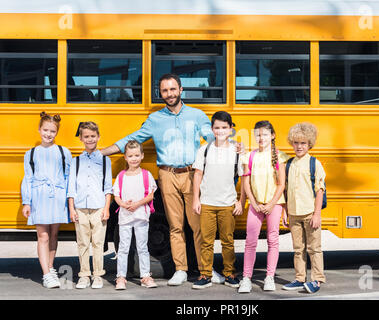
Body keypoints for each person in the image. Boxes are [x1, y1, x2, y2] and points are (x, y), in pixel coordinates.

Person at [101, 73, 236, 286]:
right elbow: (132, 138)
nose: (169, 94)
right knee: (175, 226)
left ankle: (206, 270)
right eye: (165, 90)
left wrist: (237, 146)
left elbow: (216, 138)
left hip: (192, 173)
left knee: (198, 225)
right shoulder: (155, 119)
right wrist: (101, 153)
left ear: (181, 90)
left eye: (173, 89)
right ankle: (181, 269)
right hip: (166, 174)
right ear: (160, 93)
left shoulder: (197, 115)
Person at [191, 111, 245, 290]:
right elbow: (198, 174)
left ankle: (229, 273)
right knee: (206, 241)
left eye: (224, 127)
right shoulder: (204, 149)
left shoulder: (236, 151)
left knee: (227, 241)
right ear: (212, 130)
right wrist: (196, 199)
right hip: (207, 202)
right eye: (217, 128)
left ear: (231, 129)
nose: (221, 131)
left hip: (228, 203)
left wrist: (240, 201)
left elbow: (244, 177)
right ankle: (205, 274)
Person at [21, 112, 72, 288]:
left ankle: (50, 268)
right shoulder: (31, 153)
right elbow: (28, 178)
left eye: (52, 131)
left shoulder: (63, 152)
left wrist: (69, 202)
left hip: (57, 196)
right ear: (39, 129)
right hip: (39, 197)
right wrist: (26, 202)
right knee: (42, 235)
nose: (48, 134)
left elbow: (68, 177)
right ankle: (46, 274)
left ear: (57, 132)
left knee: (53, 234)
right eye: (45, 130)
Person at [238, 121, 289, 293]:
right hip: (256, 204)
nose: (261, 138)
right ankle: (246, 277)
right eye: (258, 135)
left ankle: (269, 277)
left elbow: (282, 184)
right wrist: (253, 202)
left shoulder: (279, 157)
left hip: (273, 204)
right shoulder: (250, 157)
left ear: (272, 136)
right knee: (250, 241)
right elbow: (246, 183)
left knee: (272, 240)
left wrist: (271, 204)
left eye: (265, 134)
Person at [281, 122, 326, 294]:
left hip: (309, 213)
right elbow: (285, 190)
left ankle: (317, 280)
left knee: (314, 248)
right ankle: (300, 278)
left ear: (309, 144)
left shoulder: (315, 163)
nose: (299, 146)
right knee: (298, 249)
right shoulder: (289, 164)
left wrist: (316, 214)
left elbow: (319, 190)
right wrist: (285, 212)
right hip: (293, 214)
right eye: (296, 143)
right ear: (292, 143)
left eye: (303, 143)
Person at [67, 121, 112, 289]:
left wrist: (107, 208)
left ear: (98, 137)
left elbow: (108, 187)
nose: (90, 139)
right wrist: (72, 209)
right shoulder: (75, 161)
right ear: (81, 138)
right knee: (82, 242)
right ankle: (84, 275)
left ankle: (98, 275)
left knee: (98, 243)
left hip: (99, 206)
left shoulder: (105, 160)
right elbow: (71, 187)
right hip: (80, 207)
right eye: (86, 136)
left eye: (93, 136)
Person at [113, 140, 158, 290]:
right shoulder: (121, 176)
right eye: (131, 156)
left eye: (137, 155)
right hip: (125, 217)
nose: (134, 158)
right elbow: (117, 196)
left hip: (141, 216)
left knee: (142, 247)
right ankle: (121, 277)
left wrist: (137, 204)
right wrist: (124, 204)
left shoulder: (146, 175)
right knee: (123, 247)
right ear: (125, 157)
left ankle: (145, 275)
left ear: (142, 156)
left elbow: (150, 195)